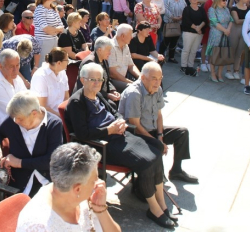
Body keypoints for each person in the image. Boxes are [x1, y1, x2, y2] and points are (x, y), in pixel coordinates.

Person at [65, 63, 175, 229]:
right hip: (102, 144)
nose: (97, 83)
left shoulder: (98, 94)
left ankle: (162, 203)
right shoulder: (76, 102)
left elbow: (114, 111)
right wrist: (109, 130)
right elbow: (82, 134)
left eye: (99, 80)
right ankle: (154, 209)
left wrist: (120, 121)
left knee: (156, 148)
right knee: (145, 161)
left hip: (120, 135)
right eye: (92, 80)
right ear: (82, 80)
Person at [119, 62, 198, 184]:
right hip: (136, 134)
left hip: (152, 129)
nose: (157, 82)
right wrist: (157, 142)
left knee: (182, 132)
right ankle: (153, 179)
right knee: (156, 148)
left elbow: (159, 115)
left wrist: (160, 137)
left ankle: (176, 170)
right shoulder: (134, 93)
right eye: (154, 79)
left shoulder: (158, 89)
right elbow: (135, 125)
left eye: (160, 78)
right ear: (143, 78)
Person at [16, 143, 121, 232]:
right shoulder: (38, 227)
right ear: (77, 189)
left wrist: (101, 209)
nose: (100, 183)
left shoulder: (80, 197)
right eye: (95, 180)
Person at [0, 91, 63, 197]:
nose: (16, 122)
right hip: (19, 184)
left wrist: (19, 163)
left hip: (47, 182)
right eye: (15, 118)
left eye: (20, 119)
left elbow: (51, 161)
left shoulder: (54, 125)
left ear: (34, 113)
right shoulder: (15, 119)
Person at [74, 36, 121, 104]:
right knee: (112, 105)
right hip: (90, 96)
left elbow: (107, 79)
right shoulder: (90, 63)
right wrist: (107, 95)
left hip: (102, 92)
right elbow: (89, 87)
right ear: (99, 50)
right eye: (108, 50)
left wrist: (112, 90)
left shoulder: (104, 60)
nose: (110, 53)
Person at [30, 47, 69, 117]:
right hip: (48, 118)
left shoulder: (62, 72)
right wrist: (61, 117)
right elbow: (42, 107)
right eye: (67, 60)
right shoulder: (41, 76)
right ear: (59, 63)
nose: (68, 62)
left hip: (61, 115)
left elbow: (66, 97)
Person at [206, 0, 234, 82]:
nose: (225, 1)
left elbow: (231, 20)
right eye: (223, 0)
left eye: (226, 0)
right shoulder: (212, 10)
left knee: (223, 54)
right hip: (216, 34)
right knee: (214, 54)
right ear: (218, 0)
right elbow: (214, 22)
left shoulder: (226, 10)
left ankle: (219, 74)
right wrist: (224, 30)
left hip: (225, 34)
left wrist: (228, 29)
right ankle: (213, 73)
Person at [34, 0, 64, 66]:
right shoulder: (40, 9)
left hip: (54, 40)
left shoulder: (54, 9)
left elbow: (61, 27)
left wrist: (53, 30)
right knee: (43, 66)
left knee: (52, 65)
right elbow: (45, 29)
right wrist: (56, 30)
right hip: (43, 41)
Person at [180, 0, 207, 76]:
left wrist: (200, 28)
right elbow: (187, 21)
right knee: (186, 49)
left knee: (194, 50)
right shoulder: (187, 9)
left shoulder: (201, 9)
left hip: (199, 33)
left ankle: (190, 65)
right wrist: (197, 28)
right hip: (188, 32)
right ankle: (183, 66)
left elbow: (205, 20)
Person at [108, 24, 141, 92]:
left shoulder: (125, 46)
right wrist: (131, 83)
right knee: (135, 89)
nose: (132, 37)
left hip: (123, 78)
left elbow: (131, 65)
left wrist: (141, 77)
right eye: (130, 35)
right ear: (123, 36)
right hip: (112, 81)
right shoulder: (110, 46)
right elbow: (113, 73)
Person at [159, 0, 186, 64]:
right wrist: (172, 17)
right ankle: (160, 56)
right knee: (166, 40)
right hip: (169, 22)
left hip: (179, 23)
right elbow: (165, 9)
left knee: (175, 40)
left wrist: (181, 16)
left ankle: (171, 57)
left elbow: (185, 7)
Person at [226, 0, 250, 80]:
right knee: (232, 50)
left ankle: (236, 70)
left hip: (244, 31)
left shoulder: (248, 9)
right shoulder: (234, 9)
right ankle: (228, 70)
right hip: (235, 30)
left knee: (239, 52)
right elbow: (237, 21)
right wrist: (247, 20)